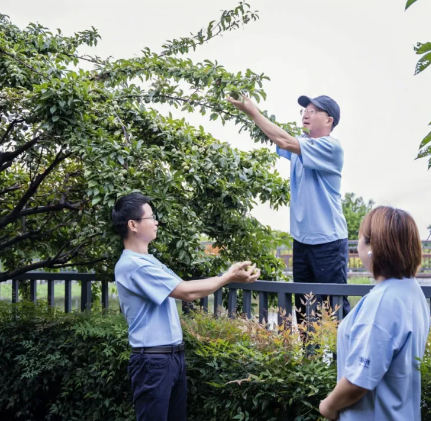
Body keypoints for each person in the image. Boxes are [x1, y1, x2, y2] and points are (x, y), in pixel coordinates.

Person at [112, 192, 260, 421]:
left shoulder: (150, 261)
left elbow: (186, 287)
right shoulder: (133, 265)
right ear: (133, 225)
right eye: (151, 217)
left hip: (171, 357)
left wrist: (228, 276)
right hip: (153, 360)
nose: (156, 222)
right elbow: (187, 292)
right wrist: (227, 277)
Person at [228, 94, 350, 326]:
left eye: (313, 110)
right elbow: (277, 136)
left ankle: (343, 350)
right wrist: (250, 112)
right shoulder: (299, 146)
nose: (306, 114)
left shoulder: (331, 147)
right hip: (302, 241)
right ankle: (308, 351)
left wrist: (252, 111)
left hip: (329, 242)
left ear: (329, 120)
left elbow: (284, 141)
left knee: (334, 311)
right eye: (305, 110)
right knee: (303, 310)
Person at [319, 206, 430, 420]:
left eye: (360, 237)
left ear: (372, 246)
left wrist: (327, 406)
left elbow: (358, 382)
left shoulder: (382, 302)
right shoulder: (411, 290)